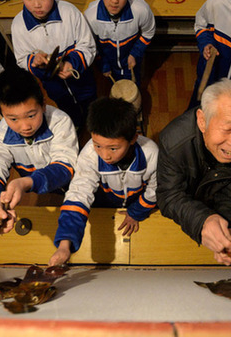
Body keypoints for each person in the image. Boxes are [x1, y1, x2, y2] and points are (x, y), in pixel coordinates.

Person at [157, 79, 231, 265]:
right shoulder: (174, 142)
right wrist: (202, 221)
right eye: (227, 129)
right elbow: (169, 195)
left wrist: (229, 230)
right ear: (202, 120)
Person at [49, 97, 158, 265]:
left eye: (113, 148)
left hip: (138, 200)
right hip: (105, 199)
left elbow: (155, 189)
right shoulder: (89, 156)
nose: (105, 155)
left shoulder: (151, 153)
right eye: (97, 145)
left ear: (133, 139)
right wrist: (65, 245)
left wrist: (136, 212)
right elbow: (79, 193)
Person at [0, 68, 78, 233]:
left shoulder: (60, 122)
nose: (25, 126)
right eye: (13, 119)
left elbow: (64, 167)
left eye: (31, 115)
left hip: (75, 181)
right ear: (2, 112)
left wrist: (27, 182)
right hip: (44, 185)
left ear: (43, 105)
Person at [10, 0, 97, 128]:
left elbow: (88, 46)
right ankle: (77, 127)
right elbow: (21, 59)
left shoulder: (70, 12)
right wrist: (33, 62)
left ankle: (92, 125)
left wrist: (72, 64)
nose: (36, 4)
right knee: (69, 112)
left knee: (91, 108)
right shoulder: (18, 25)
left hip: (83, 82)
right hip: (55, 88)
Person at [84, 0, 156, 86]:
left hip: (132, 62)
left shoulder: (140, 9)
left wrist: (135, 53)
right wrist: (103, 62)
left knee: (135, 85)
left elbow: (148, 33)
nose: (115, 0)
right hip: (108, 66)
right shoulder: (90, 17)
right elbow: (90, 44)